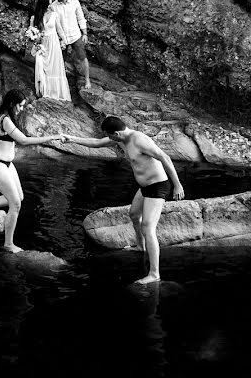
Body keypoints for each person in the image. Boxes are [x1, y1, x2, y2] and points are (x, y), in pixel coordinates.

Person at [65, 116, 184, 284]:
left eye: (111, 136)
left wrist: (177, 185)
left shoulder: (140, 140)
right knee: (134, 214)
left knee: (148, 227)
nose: (110, 139)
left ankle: (154, 274)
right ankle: (140, 246)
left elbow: (165, 157)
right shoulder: (120, 139)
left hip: (158, 186)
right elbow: (97, 143)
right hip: (145, 188)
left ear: (117, 133)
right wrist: (72, 139)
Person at [0, 89, 63, 253]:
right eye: (20, 106)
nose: (21, 109)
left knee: (19, 197)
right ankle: (8, 244)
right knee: (15, 204)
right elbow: (23, 140)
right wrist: (53, 138)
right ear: (12, 104)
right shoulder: (5, 119)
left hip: (6, 164)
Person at [30, 0, 71, 101]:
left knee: (55, 69)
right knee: (41, 66)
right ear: (42, 5)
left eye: (50, 4)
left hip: (54, 44)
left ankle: (55, 94)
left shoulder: (54, 15)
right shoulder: (36, 17)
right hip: (43, 45)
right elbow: (33, 32)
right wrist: (35, 38)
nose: (50, 6)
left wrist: (64, 41)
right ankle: (44, 91)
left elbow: (60, 31)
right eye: (47, 5)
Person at [52, 0, 91, 89]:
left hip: (75, 36)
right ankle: (60, 85)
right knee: (59, 61)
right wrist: (60, 39)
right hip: (62, 38)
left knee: (83, 58)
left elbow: (81, 18)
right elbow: (54, 24)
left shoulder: (75, 3)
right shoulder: (53, 6)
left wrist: (85, 34)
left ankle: (87, 80)